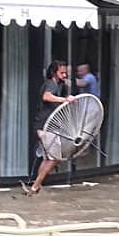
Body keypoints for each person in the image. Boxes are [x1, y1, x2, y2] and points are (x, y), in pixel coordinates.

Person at [23, 60, 76, 194]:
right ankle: (35, 186)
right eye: (62, 73)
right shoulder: (50, 84)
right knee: (55, 158)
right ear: (54, 72)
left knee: (48, 158)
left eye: (66, 73)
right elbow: (47, 97)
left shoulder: (58, 85)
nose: (64, 75)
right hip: (45, 126)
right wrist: (65, 100)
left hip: (46, 126)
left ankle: (37, 185)